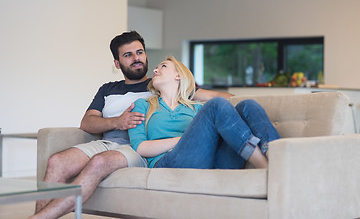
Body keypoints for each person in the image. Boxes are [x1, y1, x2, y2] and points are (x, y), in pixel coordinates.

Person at [30, 31, 234, 219]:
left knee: (99, 162)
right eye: (128, 55)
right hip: (106, 142)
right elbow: (87, 122)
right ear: (117, 63)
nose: (136, 58)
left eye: (139, 52)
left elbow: (218, 98)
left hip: (136, 147)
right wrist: (117, 122)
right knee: (57, 161)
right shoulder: (108, 89)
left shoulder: (162, 84)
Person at [128, 56, 281, 170]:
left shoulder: (197, 108)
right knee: (215, 105)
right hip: (168, 163)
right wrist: (182, 140)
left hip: (212, 164)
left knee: (248, 105)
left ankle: (279, 158)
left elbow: (229, 104)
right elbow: (140, 147)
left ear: (178, 76)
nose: (155, 70)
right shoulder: (143, 105)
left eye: (163, 66)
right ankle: (267, 169)